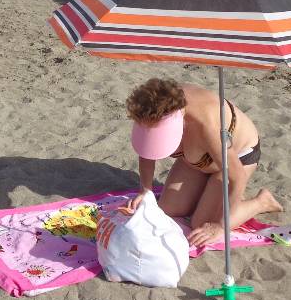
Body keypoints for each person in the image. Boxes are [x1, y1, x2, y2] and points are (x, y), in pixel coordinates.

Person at [119, 79, 282, 248]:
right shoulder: (151, 108)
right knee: (167, 208)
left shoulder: (207, 126)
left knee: (201, 224)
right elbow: (147, 150)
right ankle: (213, 195)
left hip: (236, 161)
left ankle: (261, 202)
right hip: (197, 161)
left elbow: (237, 177)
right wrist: (146, 190)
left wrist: (220, 226)